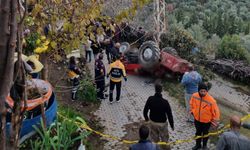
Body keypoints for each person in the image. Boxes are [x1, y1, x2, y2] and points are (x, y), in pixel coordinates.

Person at [190, 82, 220, 150]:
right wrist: (192, 111)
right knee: (198, 132)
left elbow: (216, 112)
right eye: (201, 91)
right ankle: (198, 145)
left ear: (207, 91)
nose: (203, 92)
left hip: (207, 121)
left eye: (204, 91)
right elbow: (191, 104)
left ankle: (204, 146)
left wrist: (215, 122)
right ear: (198, 90)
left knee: (205, 133)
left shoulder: (211, 100)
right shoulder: (194, 96)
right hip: (197, 119)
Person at [143, 83, 174, 149]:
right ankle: (165, 148)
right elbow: (169, 115)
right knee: (164, 138)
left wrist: (147, 119)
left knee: (154, 139)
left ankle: (155, 148)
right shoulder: (165, 102)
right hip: (163, 124)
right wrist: (172, 125)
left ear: (155, 90)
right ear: (161, 90)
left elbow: (145, 110)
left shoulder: (150, 99)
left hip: (153, 122)